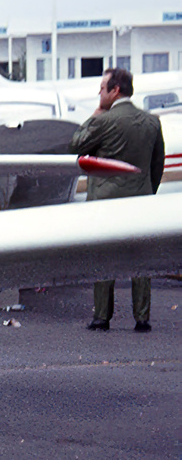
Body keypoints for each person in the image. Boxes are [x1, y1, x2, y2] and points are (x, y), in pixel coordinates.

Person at [70, 68, 165, 331]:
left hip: (106, 200)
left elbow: (75, 146)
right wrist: (147, 190)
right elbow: (157, 164)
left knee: (104, 256)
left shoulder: (104, 122)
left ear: (115, 90)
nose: (99, 93)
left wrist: (95, 114)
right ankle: (142, 316)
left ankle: (102, 316)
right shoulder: (151, 122)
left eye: (102, 88)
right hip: (140, 198)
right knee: (141, 258)